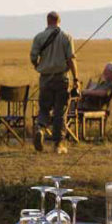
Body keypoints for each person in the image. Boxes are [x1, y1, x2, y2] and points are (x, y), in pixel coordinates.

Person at [29, 11, 77, 153]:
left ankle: (40, 128)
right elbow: (71, 60)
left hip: (45, 78)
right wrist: (76, 79)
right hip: (62, 78)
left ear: (47, 21)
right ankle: (58, 144)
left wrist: (37, 65)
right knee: (59, 112)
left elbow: (33, 56)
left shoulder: (39, 37)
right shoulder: (66, 37)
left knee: (44, 108)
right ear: (59, 21)